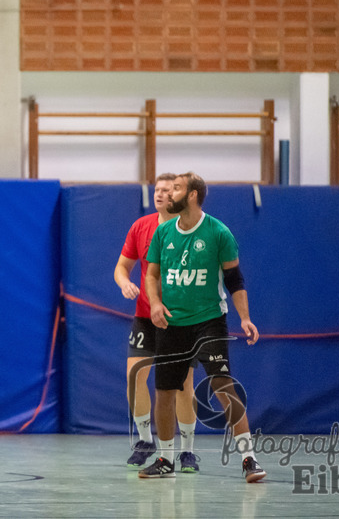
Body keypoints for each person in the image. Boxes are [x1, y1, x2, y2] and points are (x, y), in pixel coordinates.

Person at [141, 172, 267, 483]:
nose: (170, 193)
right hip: (172, 324)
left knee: (222, 385)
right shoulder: (163, 233)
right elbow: (152, 275)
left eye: (177, 188)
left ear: (193, 195)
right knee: (164, 392)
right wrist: (155, 304)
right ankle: (165, 458)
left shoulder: (218, 232)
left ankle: (249, 457)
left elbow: (235, 280)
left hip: (209, 321)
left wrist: (245, 318)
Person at [114, 173, 199, 471]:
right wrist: (124, 282)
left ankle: (187, 449)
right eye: (157, 190)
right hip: (145, 316)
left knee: (182, 386)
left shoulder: (190, 229)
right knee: (135, 375)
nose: (161, 194)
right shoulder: (141, 227)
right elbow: (122, 267)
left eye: (167, 190)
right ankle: (144, 440)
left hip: (179, 319)